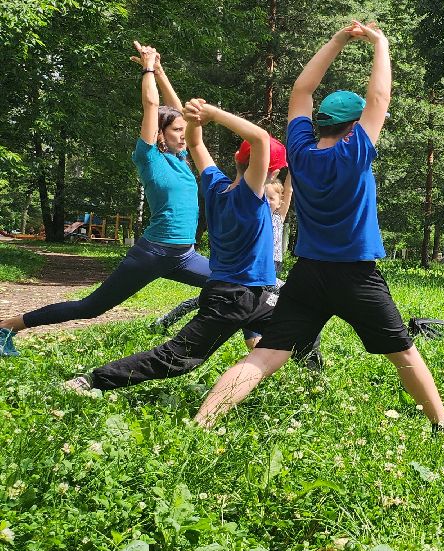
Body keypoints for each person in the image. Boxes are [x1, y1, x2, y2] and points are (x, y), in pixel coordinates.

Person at [195, 22, 444, 432]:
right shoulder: (355, 154)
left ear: (323, 123)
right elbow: (380, 95)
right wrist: (380, 43)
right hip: (356, 276)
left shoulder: (299, 150)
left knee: (267, 354)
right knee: (402, 351)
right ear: (353, 126)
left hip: (308, 274)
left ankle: (202, 423)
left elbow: (301, 92)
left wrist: (336, 40)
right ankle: (441, 423)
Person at [0, 43, 209, 356]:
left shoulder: (181, 159)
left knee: (233, 282)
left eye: (184, 129)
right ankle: (7, 326)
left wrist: (161, 69)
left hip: (184, 255)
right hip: (152, 254)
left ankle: (256, 341)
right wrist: (148, 69)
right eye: (177, 130)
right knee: (90, 307)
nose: (184, 134)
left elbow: (173, 106)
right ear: (160, 135)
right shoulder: (149, 158)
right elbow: (153, 106)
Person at [65, 100, 283, 392]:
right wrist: (214, 114)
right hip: (232, 298)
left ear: (235, 158)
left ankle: (311, 375)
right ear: (271, 172)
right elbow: (258, 139)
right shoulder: (249, 198)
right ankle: (93, 380)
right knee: (178, 358)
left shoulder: (216, 186)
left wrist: (194, 119)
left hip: (248, 294)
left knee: (298, 325)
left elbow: (195, 142)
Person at [152, 142, 293, 333]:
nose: (267, 201)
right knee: (205, 301)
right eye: (265, 196)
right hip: (248, 272)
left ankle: (258, 337)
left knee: (248, 304)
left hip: (269, 270)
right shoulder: (251, 208)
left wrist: (294, 165)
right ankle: (167, 319)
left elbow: (289, 189)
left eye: (272, 199)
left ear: (280, 202)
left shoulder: (278, 216)